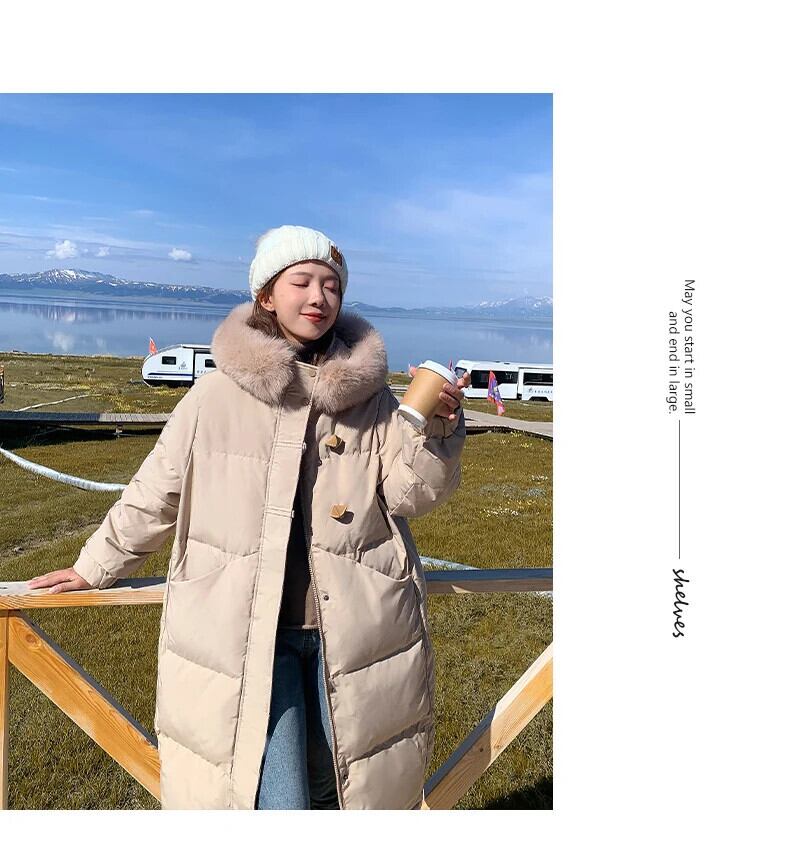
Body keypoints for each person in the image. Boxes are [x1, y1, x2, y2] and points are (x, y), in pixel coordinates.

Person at [27, 225, 470, 810]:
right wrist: (94, 566)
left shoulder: (376, 401)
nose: (318, 297)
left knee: (344, 795)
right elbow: (157, 491)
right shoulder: (215, 396)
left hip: (360, 629)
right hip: (246, 632)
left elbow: (413, 495)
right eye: (301, 282)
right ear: (266, 294)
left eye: (332, 285)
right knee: (275, 801)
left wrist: (438, 431)